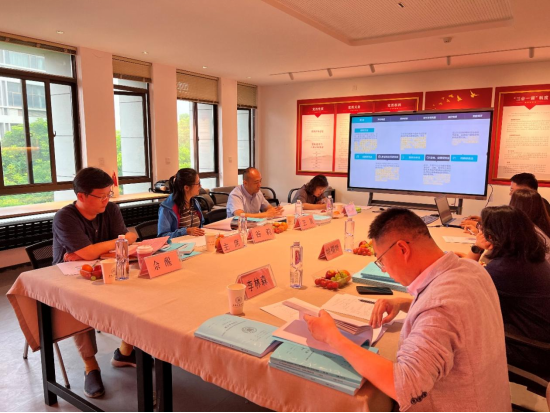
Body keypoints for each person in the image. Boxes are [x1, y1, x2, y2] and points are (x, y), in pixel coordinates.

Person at [304, 208, 511, 412]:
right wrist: (405, 303)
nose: (385, 270)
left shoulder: (439, 308)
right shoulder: (472, 268)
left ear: (402, 249)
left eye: (381, 260)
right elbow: (454, 315)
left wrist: (332, 337)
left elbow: (405, 388)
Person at [52, 167, 138, 399]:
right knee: (80, 306)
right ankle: (90, 367)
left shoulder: (111, 209)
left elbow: (123, 244)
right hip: (69, 279)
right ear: (81, 196)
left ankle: (125, 352)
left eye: (109, 194)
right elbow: (113, 244)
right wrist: (115, 242)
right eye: (101, 196)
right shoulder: (65, 217)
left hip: (104, 269)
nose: (106, 200)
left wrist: (93, 251)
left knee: (136, 294)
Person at [472, 206, 550, 376]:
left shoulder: (504, 269)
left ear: (492, 236)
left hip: (532, 350)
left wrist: (476, 249)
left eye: (481, 228)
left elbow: (464, 289)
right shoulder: (529, 258)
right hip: (540, 337)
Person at [463, 172, 550, 225]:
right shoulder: (536, 202)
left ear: (525, 190)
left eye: (512, 190)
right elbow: (509, 222)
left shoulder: (533, 205)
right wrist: (483, 221)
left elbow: (511, 230)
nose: (510, 193)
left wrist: (478, 226)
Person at [158, 168, 205, 239]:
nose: (200, 186)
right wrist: (185, 231)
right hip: (178, 245)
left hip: (195, 242)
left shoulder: (195, 203)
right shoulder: (167, 208)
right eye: (198, 183)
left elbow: (200, 226)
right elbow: (162, 236)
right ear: (186, 188)